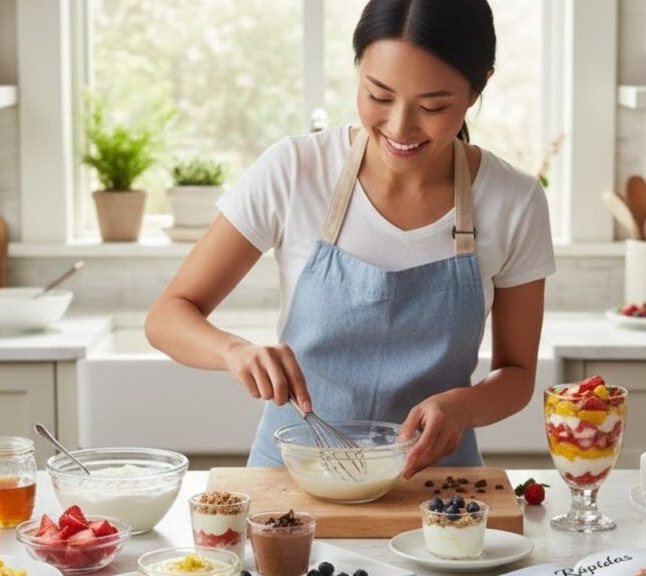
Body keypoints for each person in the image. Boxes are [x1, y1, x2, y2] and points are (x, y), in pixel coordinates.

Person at [145, 0, 555, 479]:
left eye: (432, 106)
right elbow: (168, 316)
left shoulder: (515, 200)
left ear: (477, 87)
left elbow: (518, 375)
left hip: (436, 490)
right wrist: (234, 351)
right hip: (292, 483)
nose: (399, 127)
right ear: (357, 69)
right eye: (378, 96)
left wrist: (464, 407)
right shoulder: (295, 170)